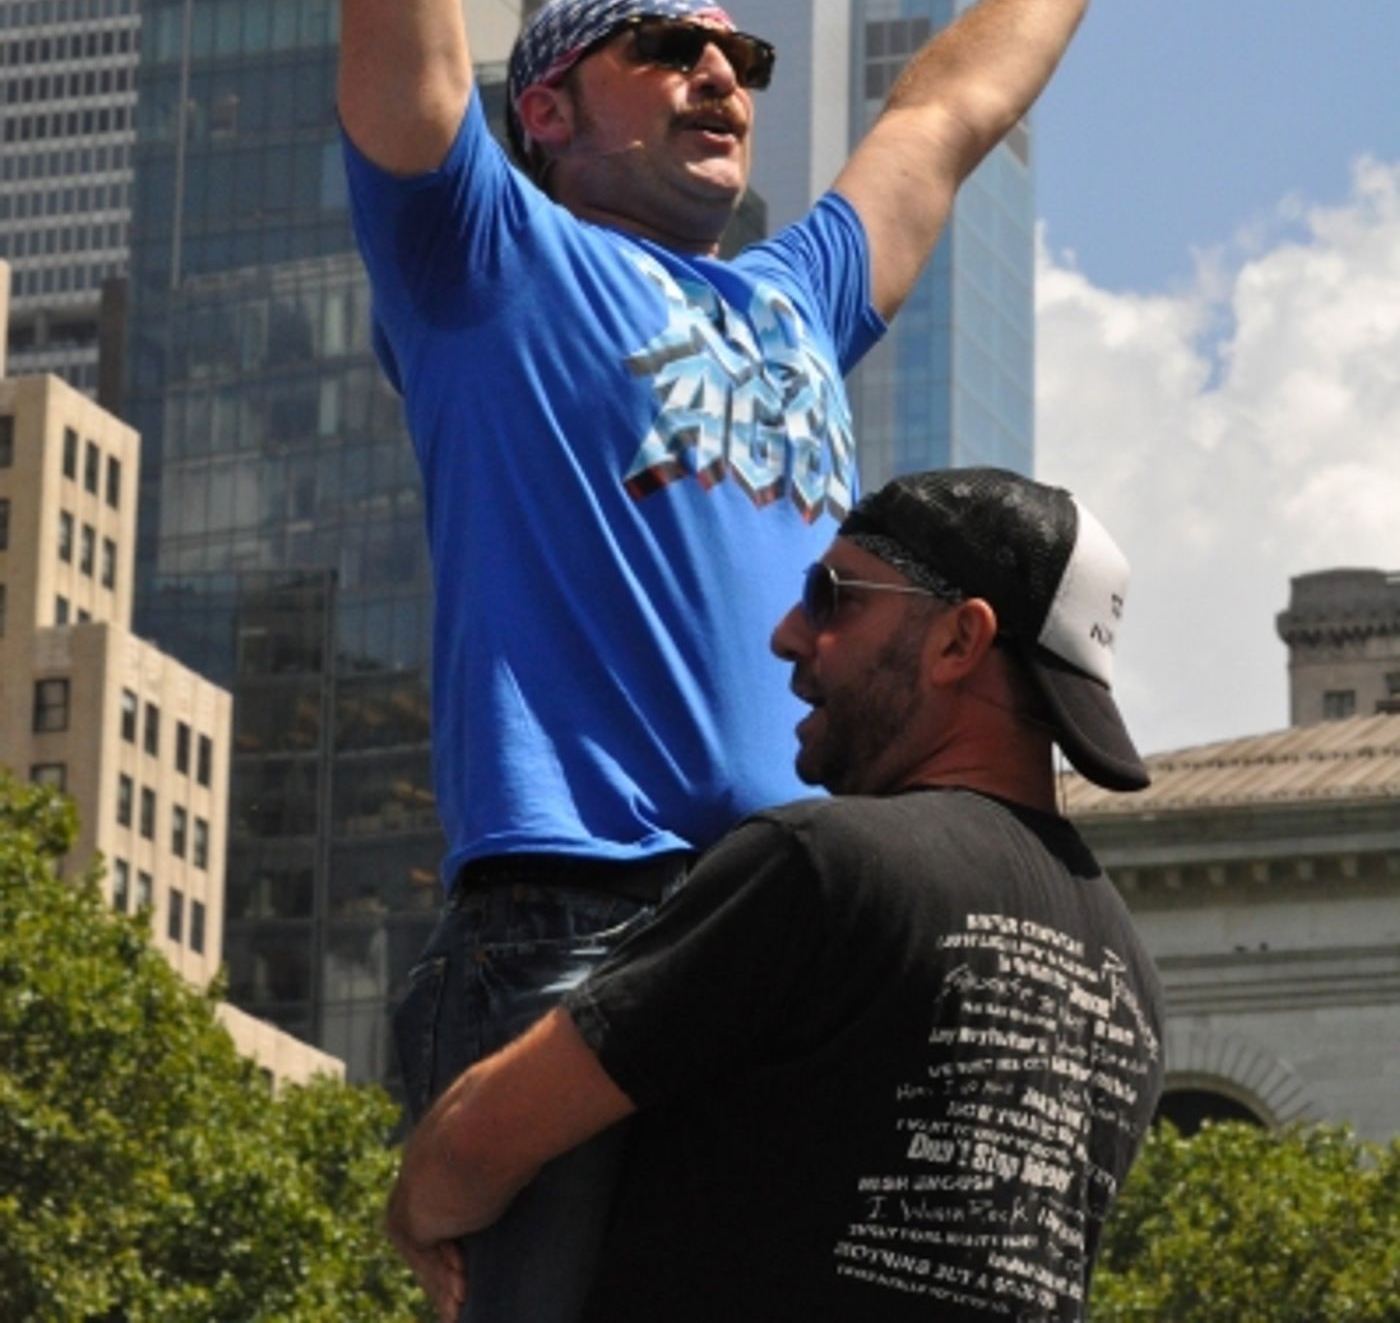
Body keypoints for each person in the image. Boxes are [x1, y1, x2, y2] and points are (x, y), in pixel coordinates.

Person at [210, 0, 1163, 1319]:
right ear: (548, 104)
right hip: (569, 915)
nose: (726, 73)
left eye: (745, 55)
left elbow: (947, 117)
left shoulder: (794, 295)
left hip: (791, 926)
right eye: (670, 48)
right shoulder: (480, 255)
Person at [386, 466, 1166, 1323]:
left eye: (833, 596)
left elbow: (477, 1143)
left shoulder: (826, 865)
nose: (790, 634)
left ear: (958, 641)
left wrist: (415, 1203)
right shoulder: (1130, 980)